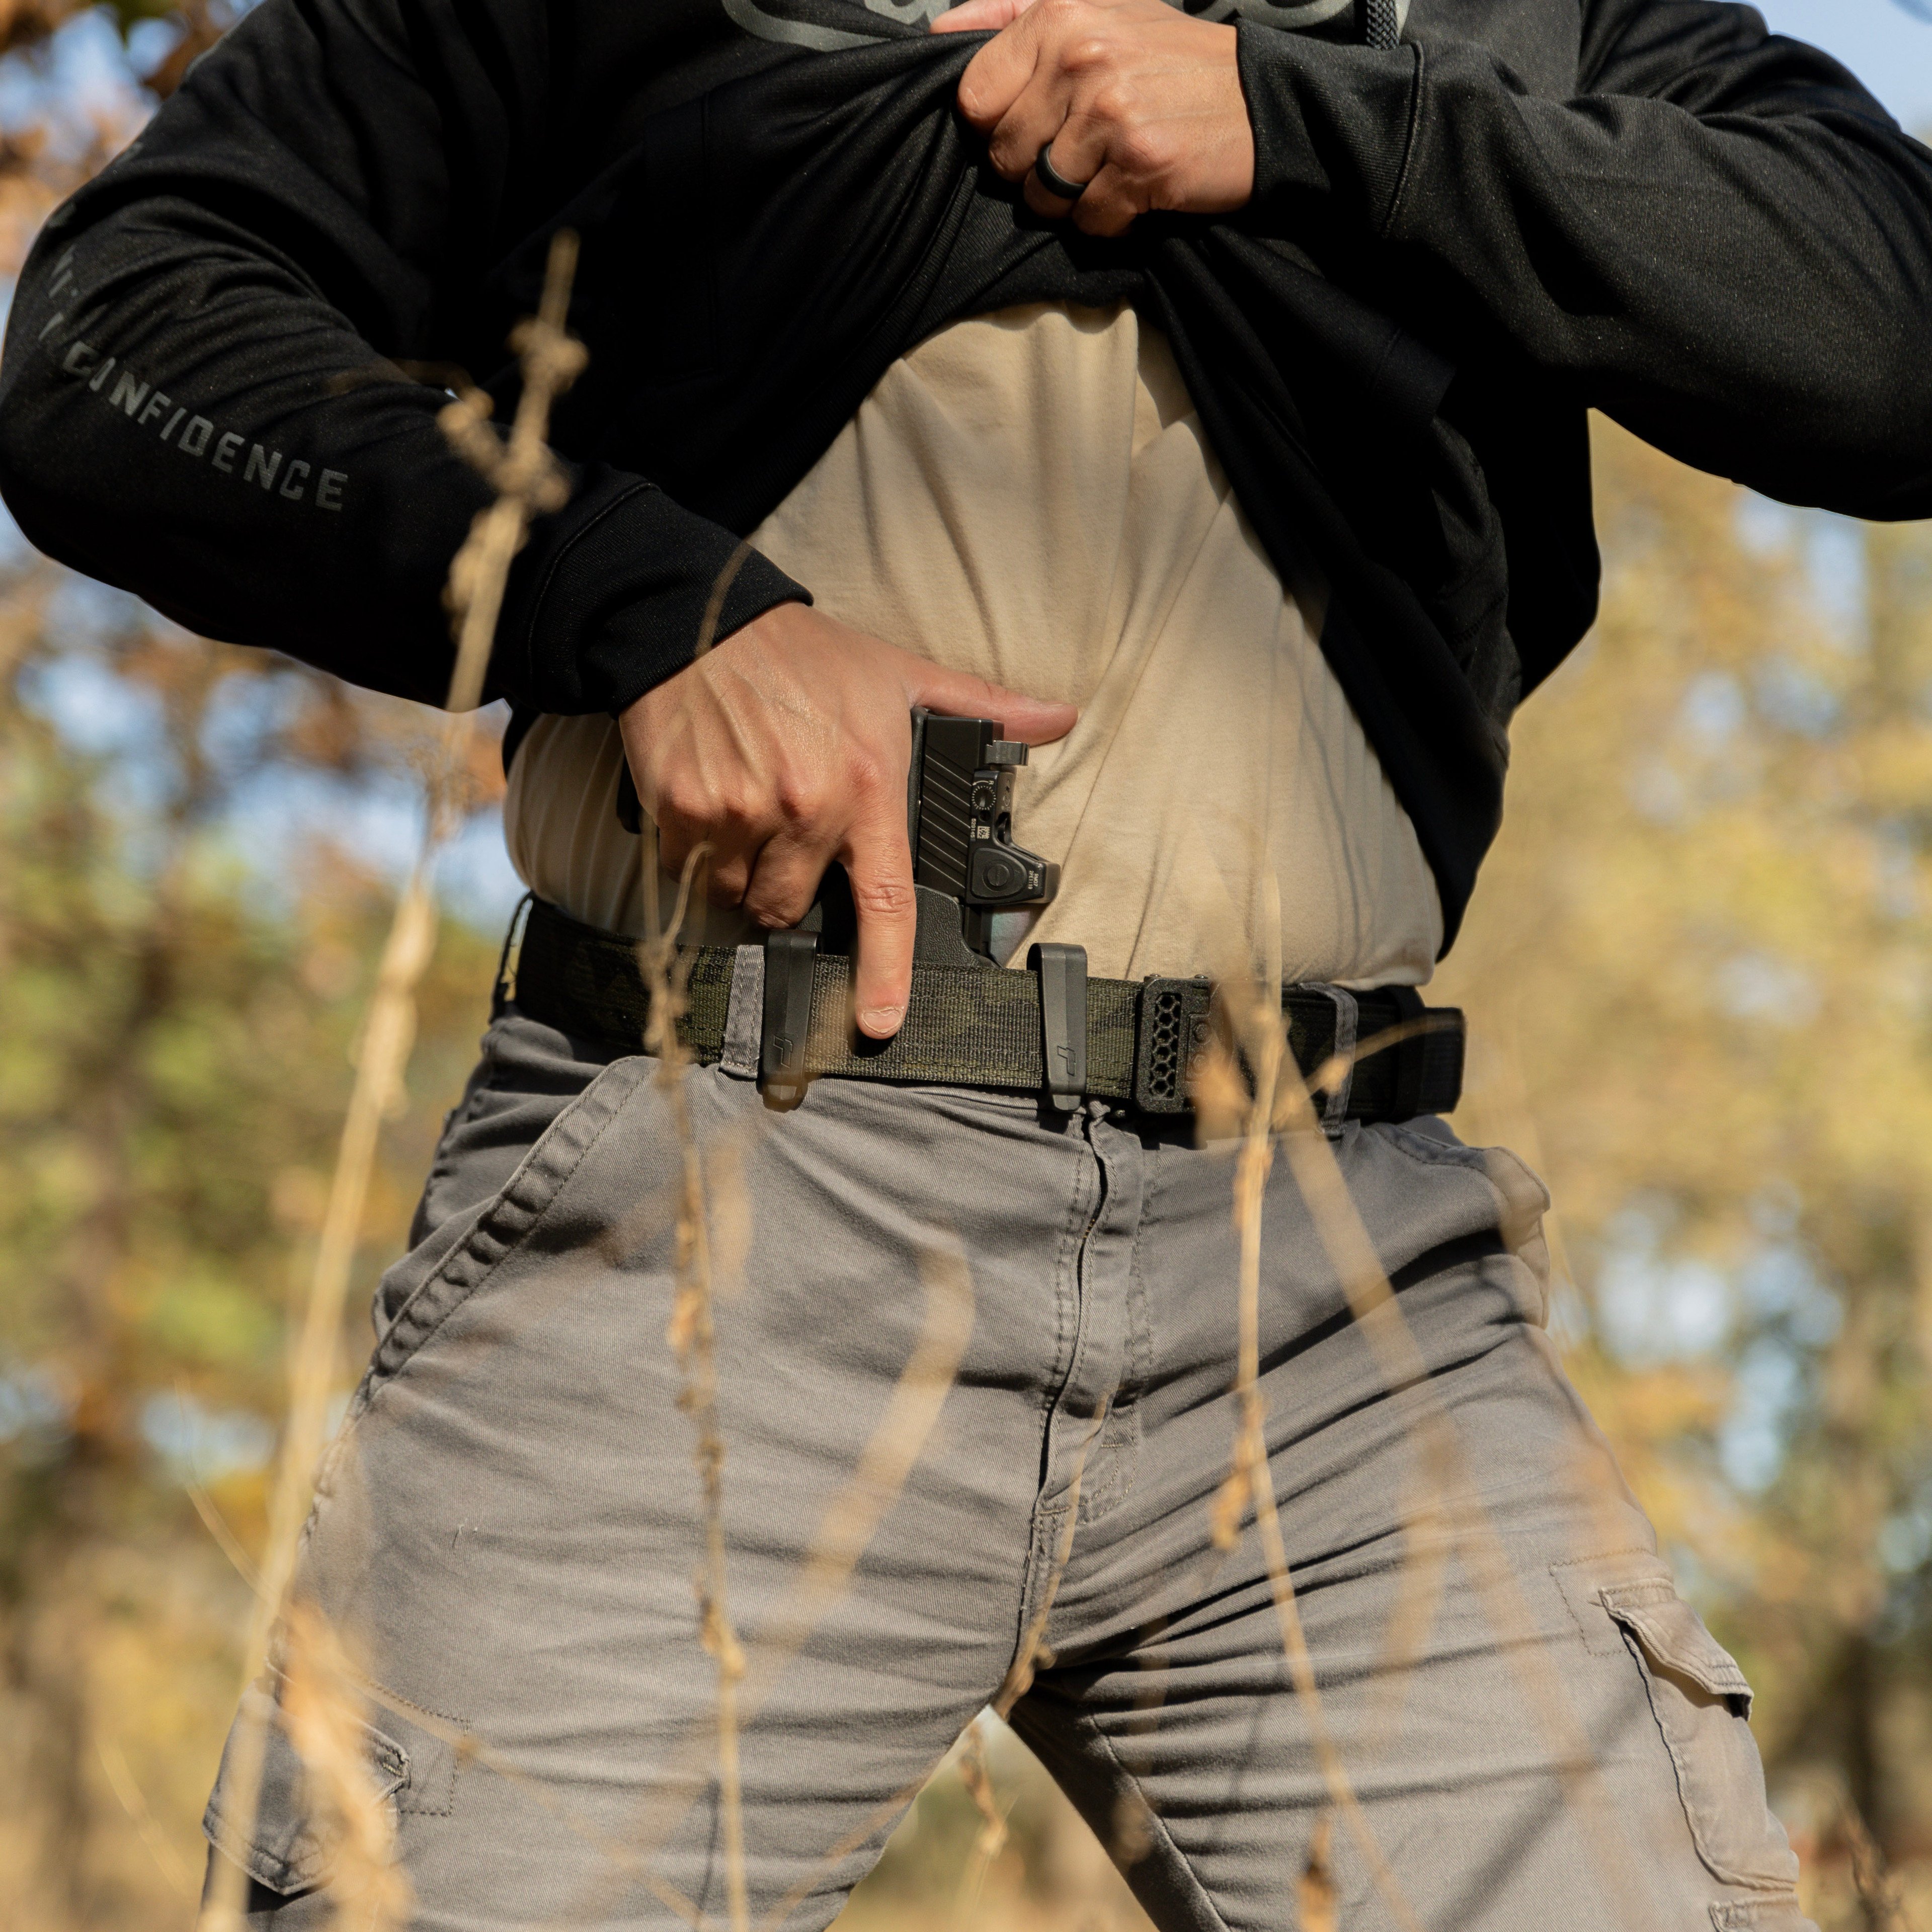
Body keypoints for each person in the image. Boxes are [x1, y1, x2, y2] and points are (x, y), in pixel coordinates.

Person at [3, 0, 1928, 1923]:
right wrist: (641, 605)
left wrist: (1325, 124)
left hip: (1341, 1284)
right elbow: (114, 331)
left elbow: (1890, 320)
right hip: (719, 1208)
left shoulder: (1500, 22)